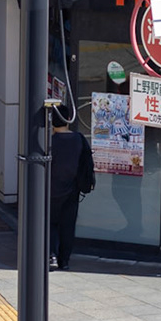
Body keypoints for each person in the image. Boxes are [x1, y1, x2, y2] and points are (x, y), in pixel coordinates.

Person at [48, 109, 93, 270]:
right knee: (68, 226)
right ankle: (64, 260)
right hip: (72, 189)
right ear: (68, 119)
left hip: (50, 190)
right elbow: (86, 164)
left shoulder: (48, 142)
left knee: (50, 223)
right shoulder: (79, 139)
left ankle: (51, 254)